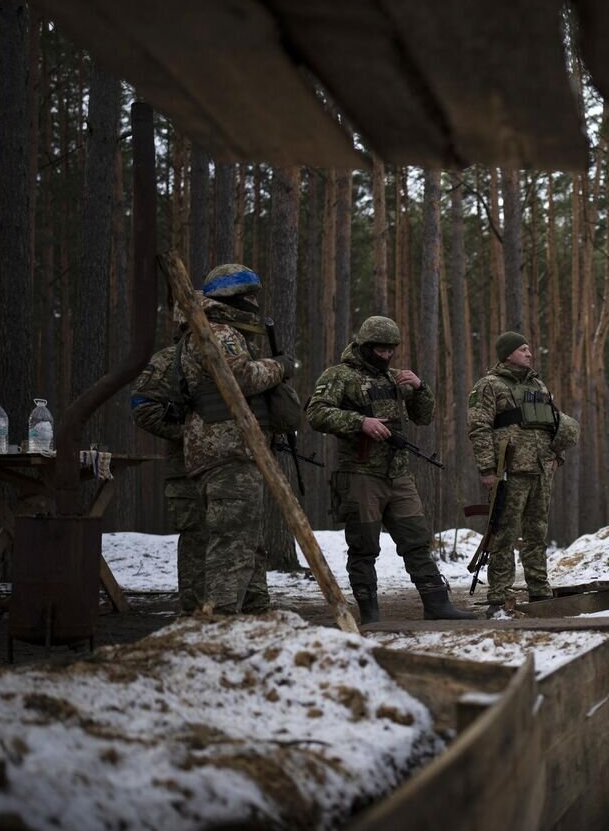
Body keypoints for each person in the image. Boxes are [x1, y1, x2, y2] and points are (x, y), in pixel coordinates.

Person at [305, 316, 476, 623]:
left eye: (390, 350)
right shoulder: (339, 376)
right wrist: (360, 423)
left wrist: (421, 388)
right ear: (365, 346)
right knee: (364, 545)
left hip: (398, 475)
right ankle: (370, 613)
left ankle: (436, 603)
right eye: (380, 349)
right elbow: (316, 413)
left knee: (417, 539)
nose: (385, 355)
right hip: (360, 473)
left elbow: (424, 417)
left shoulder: (395, 379)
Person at [180, 263, 295, 614]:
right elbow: (240, 379)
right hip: (230, 449)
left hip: (219, 449)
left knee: (242, 537)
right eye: (249, 297)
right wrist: (280, 367)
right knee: (233, 543)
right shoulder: (221, 333)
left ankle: (248, 610)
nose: (254, 304)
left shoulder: (201, 331)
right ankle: (221, 619)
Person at [467, 331, 578, 617]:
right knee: (503, 533)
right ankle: (499, 596)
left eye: (529, 349)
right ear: (507, 354)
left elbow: (551, 422)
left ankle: (540, 591)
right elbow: (479, 429)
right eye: (523, 349)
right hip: (510, 472)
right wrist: (487, 469)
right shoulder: (489, 386)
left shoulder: (538, 385)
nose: (529, 353)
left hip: (541, 470)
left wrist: (557, 455)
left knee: (537, 533)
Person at [130, 304, 207, 614]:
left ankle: (232, 611)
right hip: (187, 469)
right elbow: (142, 407)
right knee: (196, 538)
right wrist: (190, 431)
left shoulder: (231, 357)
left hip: (230, 468)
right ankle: (194, 613)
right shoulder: (166, 362)